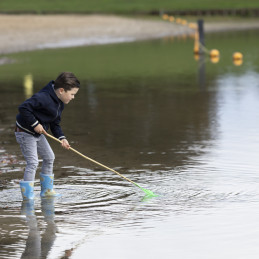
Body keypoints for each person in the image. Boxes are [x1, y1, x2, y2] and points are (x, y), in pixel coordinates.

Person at [15, 72, 80, 200]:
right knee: (33, 162)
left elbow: (55, 123)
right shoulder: (43, 97)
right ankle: (27, 197)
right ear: (61, 90)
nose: (73, 97)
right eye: (72, 94)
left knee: (49, 157)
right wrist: (35, 124)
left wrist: (62, 138)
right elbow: (23, 108)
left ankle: (47, 191)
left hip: (38, 133)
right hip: (24, 132)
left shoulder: (59, 102)